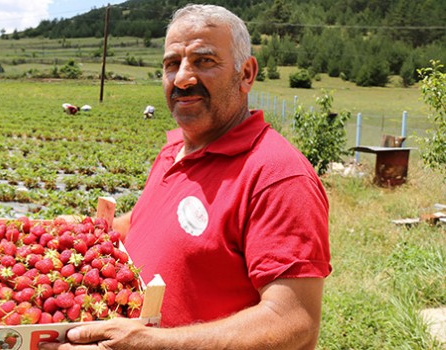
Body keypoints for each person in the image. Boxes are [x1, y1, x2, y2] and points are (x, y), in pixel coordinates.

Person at [41, 4, 331, 350]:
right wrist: (86, 231)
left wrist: (151, 343)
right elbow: (146, 223)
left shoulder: (277, 174)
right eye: (171, 64)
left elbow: (293, 322)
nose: (182, 78)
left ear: (246, 73)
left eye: (203, 61)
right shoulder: (176, 148)